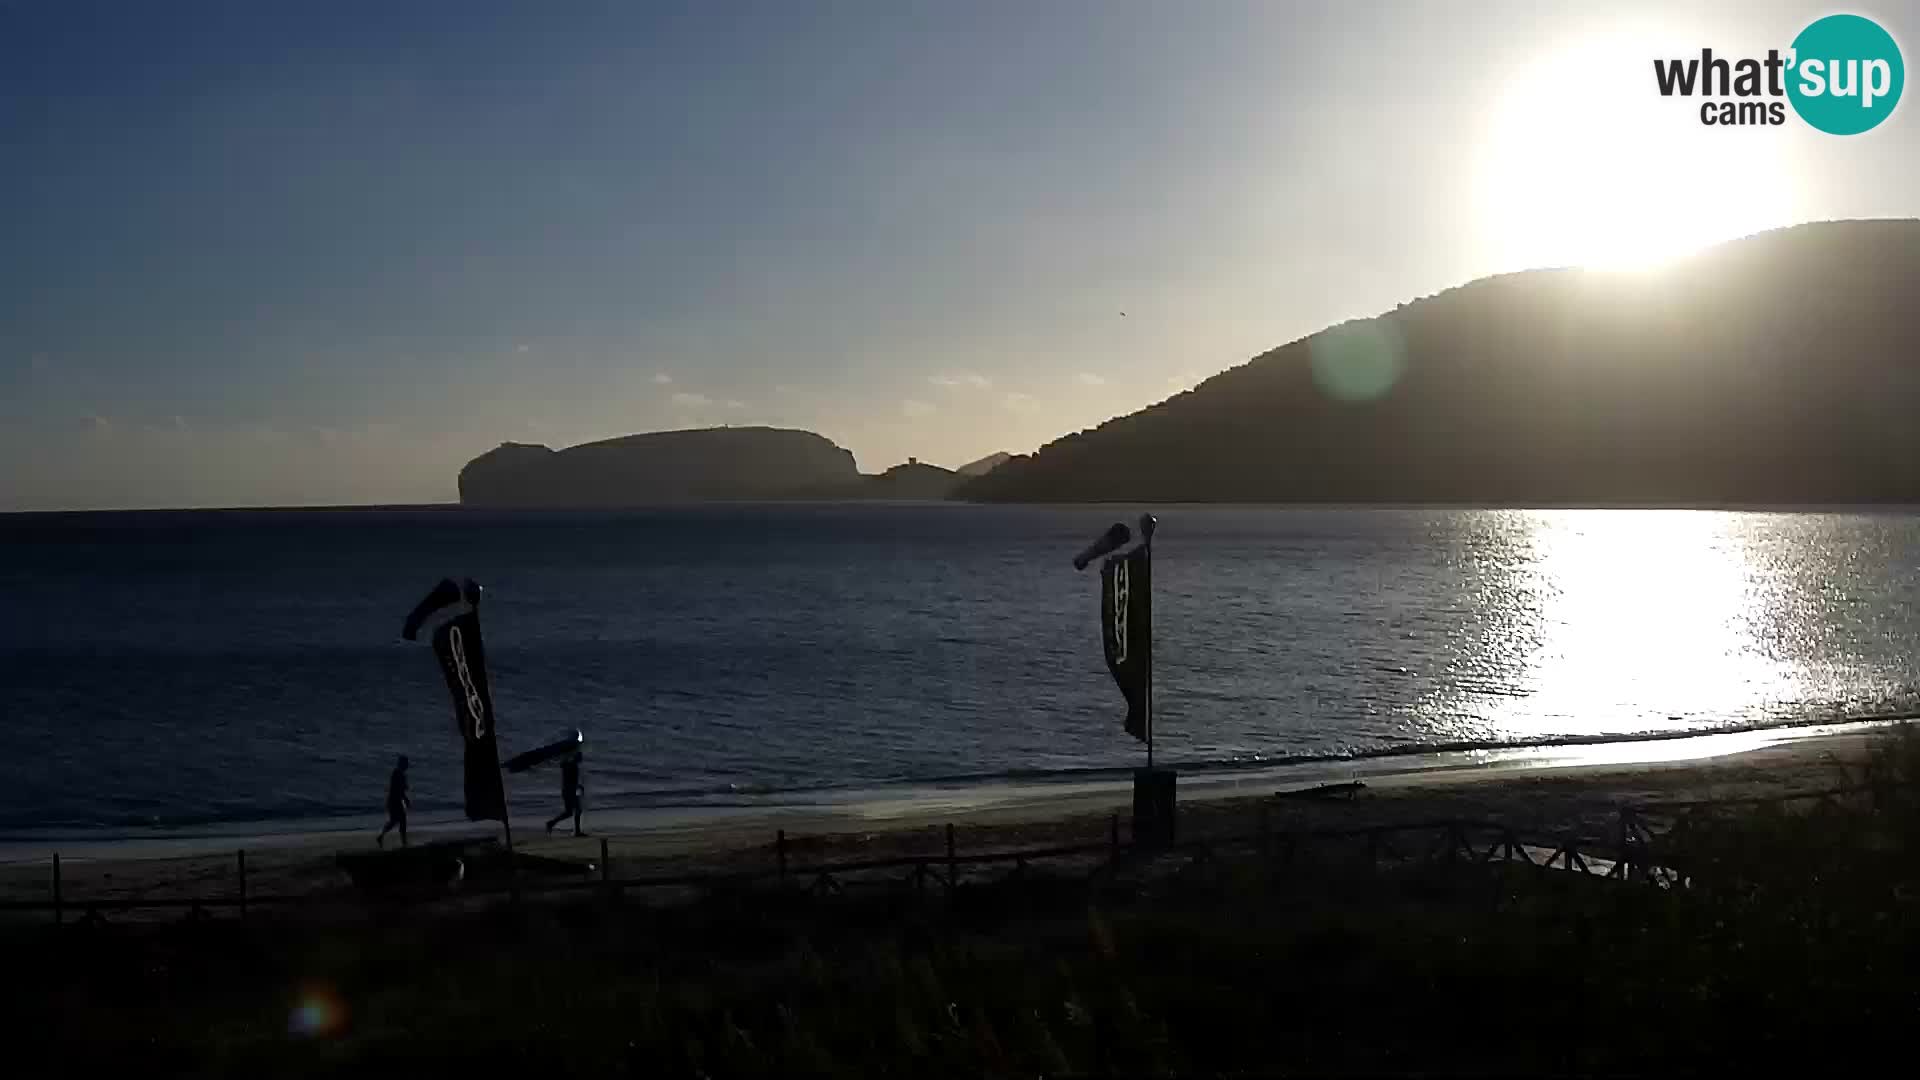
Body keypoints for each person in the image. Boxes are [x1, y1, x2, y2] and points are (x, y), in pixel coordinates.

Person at [546, 753, 585, 837]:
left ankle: (551, 823)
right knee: (577, 810)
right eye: (580, 757)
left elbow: (568, 779)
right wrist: (579, 787)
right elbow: (571, 781)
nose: (581, 758)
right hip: (570, 791)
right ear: (576, 757)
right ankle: (577, 831)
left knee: (569, 812)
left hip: (566, 791)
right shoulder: (573, 766)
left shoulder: (567, 765)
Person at [376, 754, 410, 848]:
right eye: (406, 763)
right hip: (394, 801)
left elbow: (401, 789)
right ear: (402, 764)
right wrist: (405, 799)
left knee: (395, 821)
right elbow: (397, 789)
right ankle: (404, 843)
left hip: (395, 800)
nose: (407, 765)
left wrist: (405, 798)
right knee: (400, 821)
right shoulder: (397, 773)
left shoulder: (400, 773)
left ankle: (381, 836)